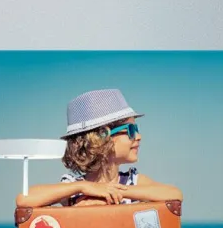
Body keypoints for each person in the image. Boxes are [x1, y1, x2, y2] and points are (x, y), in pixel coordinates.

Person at [15, 88, 183, 210]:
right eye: (131, 130)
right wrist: (83, 187)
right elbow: (24, 199)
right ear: (101, 138)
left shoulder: (133, 181)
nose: (139, 136)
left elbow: (175, 194)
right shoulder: (73, 187)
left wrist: (120, 192)